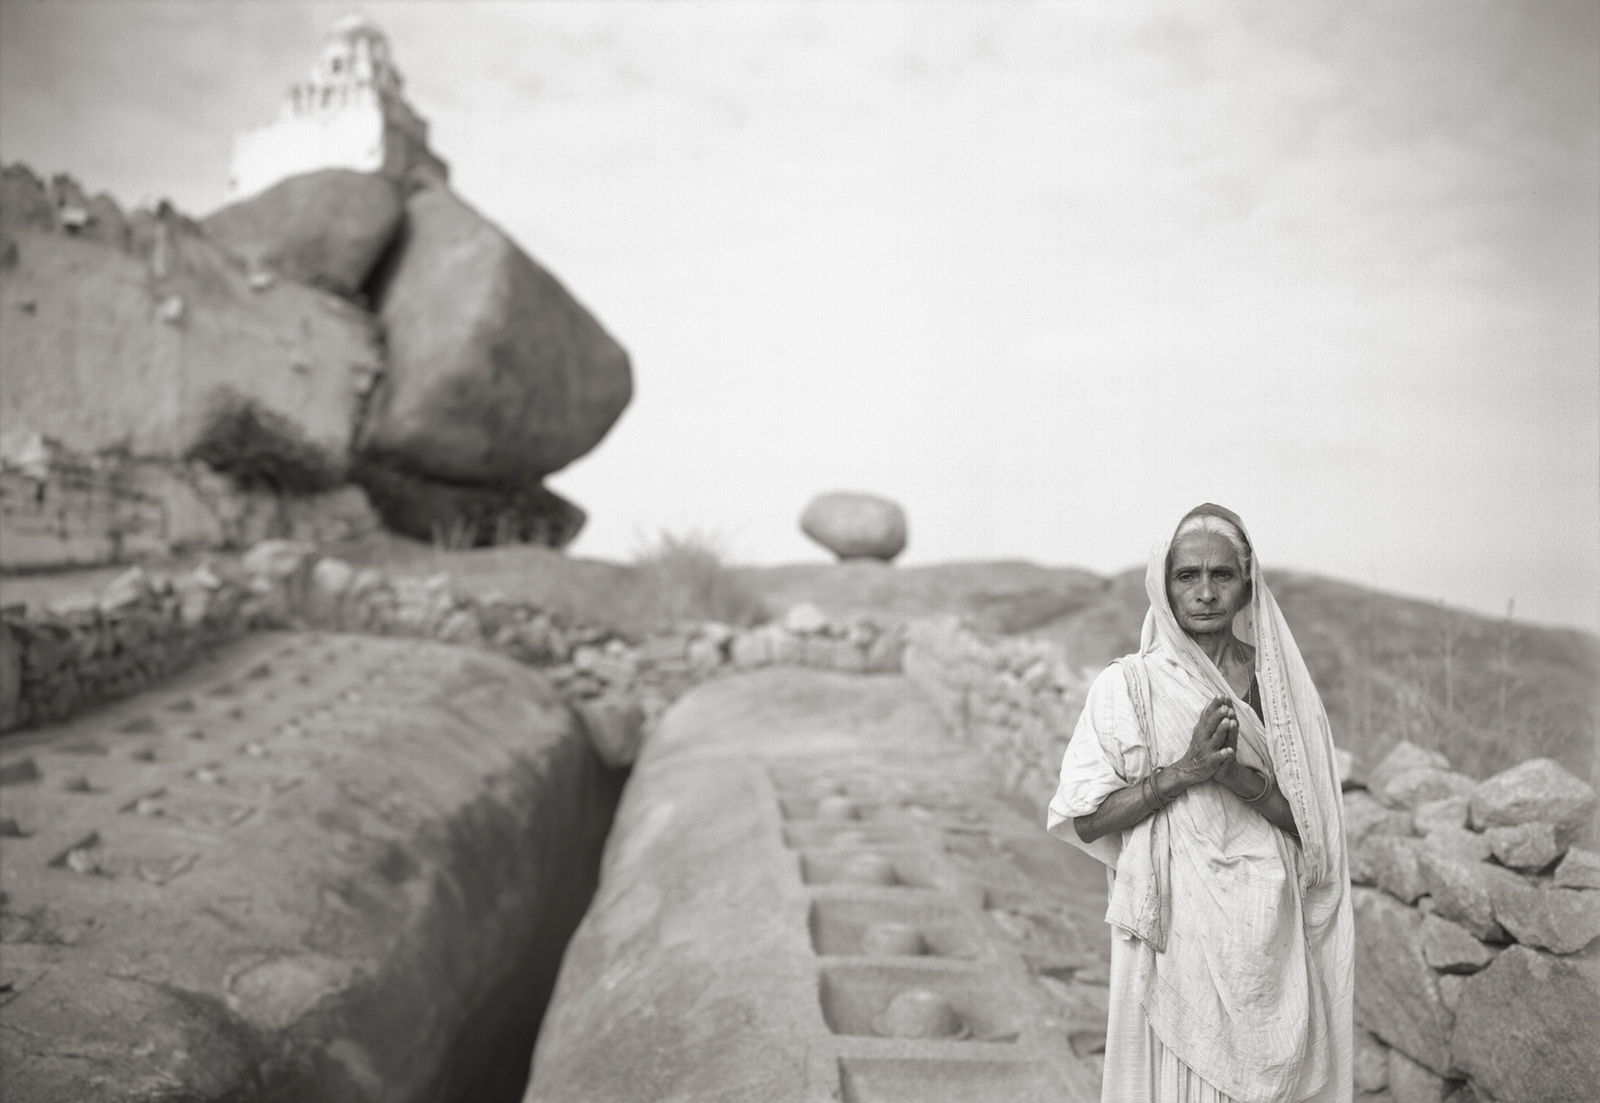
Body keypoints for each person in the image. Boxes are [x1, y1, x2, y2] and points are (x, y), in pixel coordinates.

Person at [1047, 504, 1352, 1103]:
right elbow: (1086, 819)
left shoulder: (1283, 695)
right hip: (1171, 929)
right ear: (1165, 586)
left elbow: (1315, 833)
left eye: (1222, 576)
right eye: (1188, 576)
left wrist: (1241, 782)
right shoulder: (1128, 686)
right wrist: (1183, 773)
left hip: (1269, 928)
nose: (1206, 593)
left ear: (1247, 586)